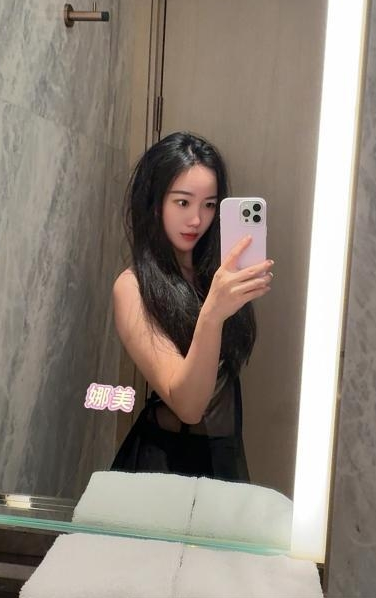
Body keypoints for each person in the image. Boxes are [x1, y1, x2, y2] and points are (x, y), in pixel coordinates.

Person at [111, 131, 273, 482]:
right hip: (165, 468)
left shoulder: (213, 276)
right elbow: (187, 406)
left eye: (209, 205)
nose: (197, 219)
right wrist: (212, 314)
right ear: (155, 203)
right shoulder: (133, 287)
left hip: (223, 458)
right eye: (183, 203)